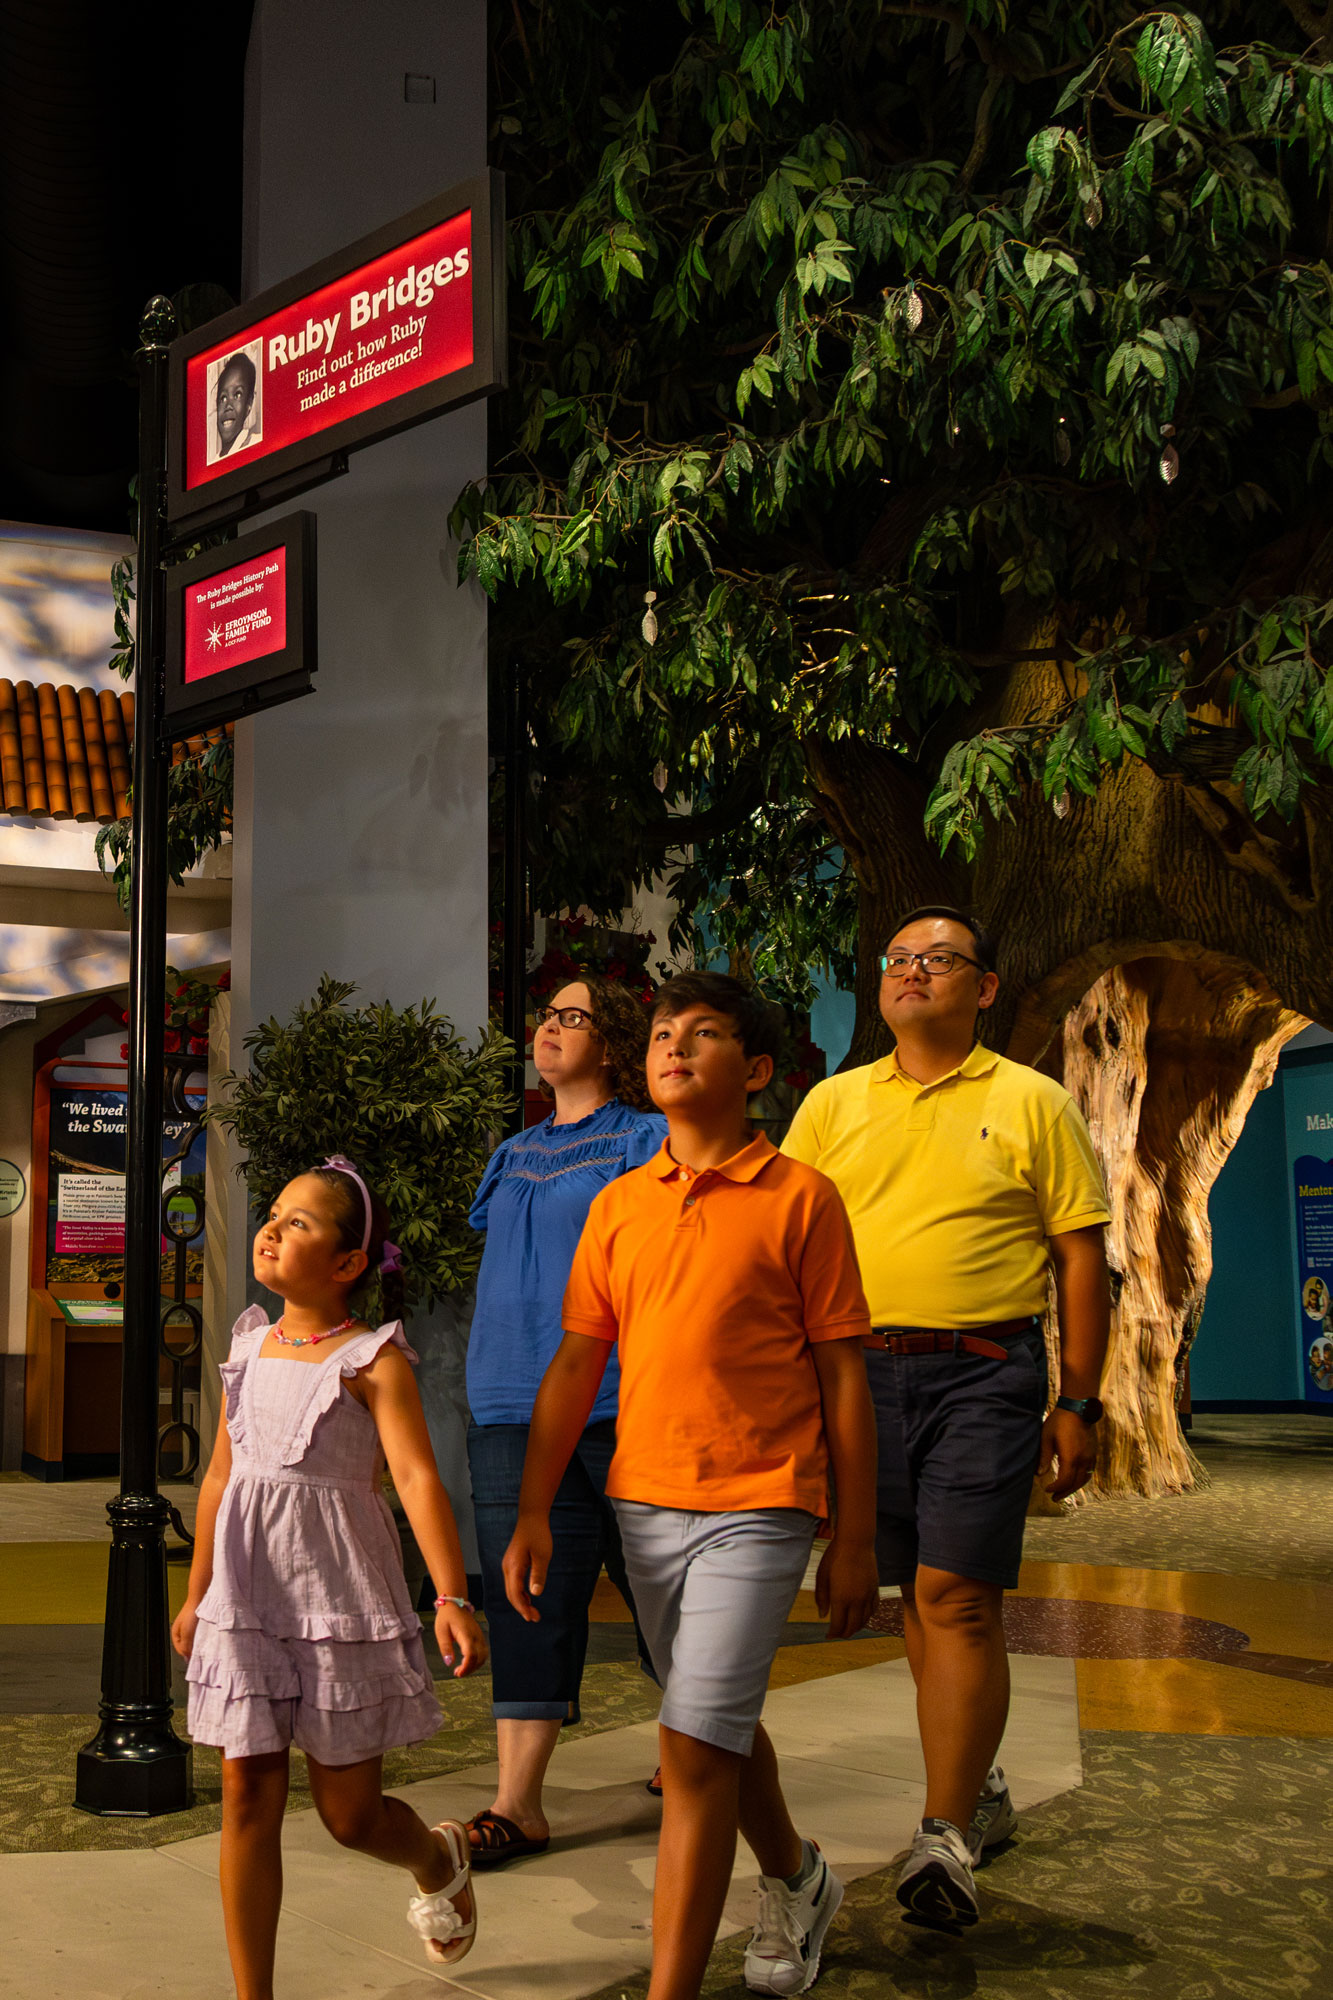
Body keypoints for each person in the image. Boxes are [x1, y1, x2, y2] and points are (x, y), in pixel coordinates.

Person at [504, 970, 880, 2000]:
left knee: (691, 1743)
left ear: (753, 1070)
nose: (672, 1045)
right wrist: (536, 1507)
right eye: (663, 1031)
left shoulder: (802, 1196)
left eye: (702, 1033)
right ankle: (799, 1877)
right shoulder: (620, 1203)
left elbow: (844, 1373)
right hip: (643, 1500)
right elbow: (576, 1364)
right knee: (712, 1724)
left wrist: (852, 1533)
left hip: (761, 1502)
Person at [783, 907, 1111, 1933]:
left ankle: (943, 1833)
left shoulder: (1033, 1099)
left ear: (986, 987)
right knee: (917, 1598)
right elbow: (786, 1242)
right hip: (860, 1378)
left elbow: (1077, 1256)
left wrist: (1080, 1396)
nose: (912, 970)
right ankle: (976, 1782)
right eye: (897, 959)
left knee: (955, 1593)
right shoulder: (832, 1102)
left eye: (938, 958)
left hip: (984, 1371)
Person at [172, 1155, 487, 2000]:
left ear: (348, 1264)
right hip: (245, 1593)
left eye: (299, 1221)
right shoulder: (245, 1344)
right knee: (246, 1795)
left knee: (350, 1818)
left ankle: (435, 1855)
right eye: (274, 1214)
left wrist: (451, 1596)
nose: (272, 1228)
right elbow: (218, 1479)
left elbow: (418, 1480)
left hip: (334, 1593)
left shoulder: (373, 1359)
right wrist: (199, 1591)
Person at [465, 973, 665, 1865]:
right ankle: (517, 1803)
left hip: (622, 1396)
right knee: (523, 1597)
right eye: (544, 1014)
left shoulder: (648, 1138)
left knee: (664, 1587)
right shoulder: (510, 1151)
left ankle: (691, 1741)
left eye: (570, 1017)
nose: (547, 1028)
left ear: (614, 1042)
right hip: (508, 1397)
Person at [214, 348, 260, 458]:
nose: (228, 406)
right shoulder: (211, 466)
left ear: (249, 403)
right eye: (223, 398)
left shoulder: (256, 444)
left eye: (237, 395)